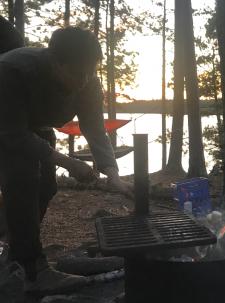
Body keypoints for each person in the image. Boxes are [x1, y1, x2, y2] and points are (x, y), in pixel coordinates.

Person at [0, 26, 133, 294]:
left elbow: (94, 127)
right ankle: (33, 271)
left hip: (36, 126)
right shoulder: (13, 71)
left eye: (90, 71)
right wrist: (70, 163)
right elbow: (15, 137)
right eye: (77, 73)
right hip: (6, 126)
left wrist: (113, 174)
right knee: (22, 179)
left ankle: (15, 251)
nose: (84, 80)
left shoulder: (87, 80)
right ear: (54, 62)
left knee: (46, 187)